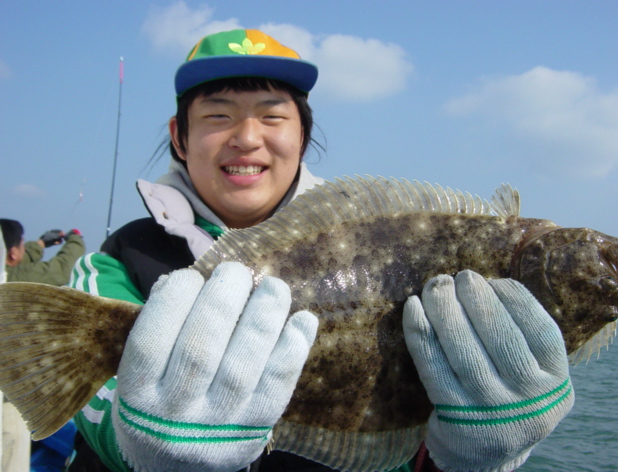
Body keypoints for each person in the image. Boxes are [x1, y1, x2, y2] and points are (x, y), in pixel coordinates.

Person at [66, 29, 573, 472]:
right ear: (180, 137)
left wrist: (467, 460)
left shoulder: (373, 240)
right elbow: (91, 406)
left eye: (272, 116)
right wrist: (145, 450)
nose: (247, 138)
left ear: (303, 136)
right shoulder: (117, 263)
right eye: (218, 115)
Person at [0, 219, 86, 287]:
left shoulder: (7, 274)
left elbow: (18, 259)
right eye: (22, 244)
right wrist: (75, 239)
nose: (24, 247)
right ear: (13, 253)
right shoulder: (9, 279)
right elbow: (62, 269)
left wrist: (42, 243)